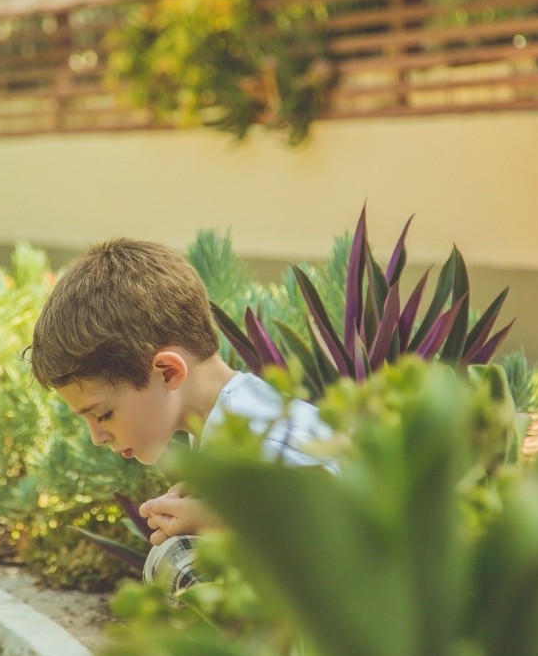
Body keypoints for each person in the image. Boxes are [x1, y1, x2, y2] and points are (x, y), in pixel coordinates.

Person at [28, 237, 333, 604]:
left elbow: (343, 536)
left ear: (168, 372)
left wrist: (213, 518)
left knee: (176, 557)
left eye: (104, 414)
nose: (97, 436)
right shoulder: (225, 418)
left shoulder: (256, 432)